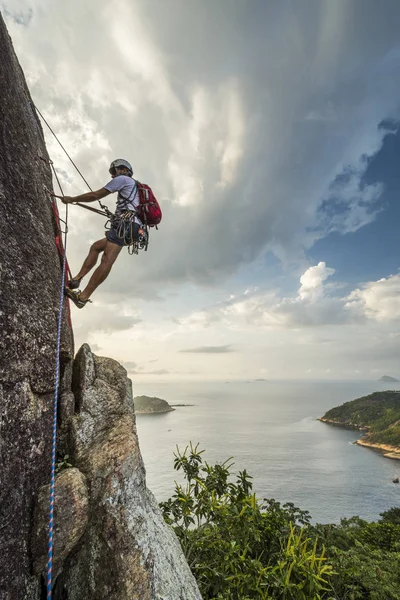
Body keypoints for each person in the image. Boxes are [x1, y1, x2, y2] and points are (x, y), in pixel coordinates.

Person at [58, 159, 145, 309]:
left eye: (114, 171)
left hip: (127, 225)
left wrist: (72, 199)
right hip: (133, 227)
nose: (113, 176)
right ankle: (77, 279)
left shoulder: (123, 179)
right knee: (96, 247)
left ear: (124, 170)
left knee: (107, 260)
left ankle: (82, 297)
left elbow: (95, 195)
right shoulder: (135, 187)